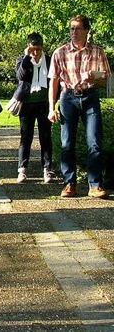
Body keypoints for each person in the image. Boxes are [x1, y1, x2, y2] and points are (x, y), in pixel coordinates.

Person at [48, 15, 111, 198]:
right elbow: (53, 82)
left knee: (94, 142)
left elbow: (105, 77)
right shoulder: (60, 52)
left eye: (77, 28)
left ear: (86, 31)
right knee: (67, 143)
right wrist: (52, 108)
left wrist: (95, 77)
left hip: (90, 97)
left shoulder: (97, 52)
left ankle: (95, 185)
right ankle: (69, 184)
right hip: (68, 98)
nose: (73, 32)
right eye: (71, 29)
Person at [13, 32, 54, 184]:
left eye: (38, 49)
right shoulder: (23, 59)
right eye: (32, 49)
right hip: (27, 104)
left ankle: (47, 169)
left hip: (44, 103)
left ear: (42, 48)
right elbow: (20, 76)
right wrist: (26, 58)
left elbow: (54, 80)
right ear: (28, 48)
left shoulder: (49, 61)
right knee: (25, 138)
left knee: (45, 137)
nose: (35, 53)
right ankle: (22, 170)